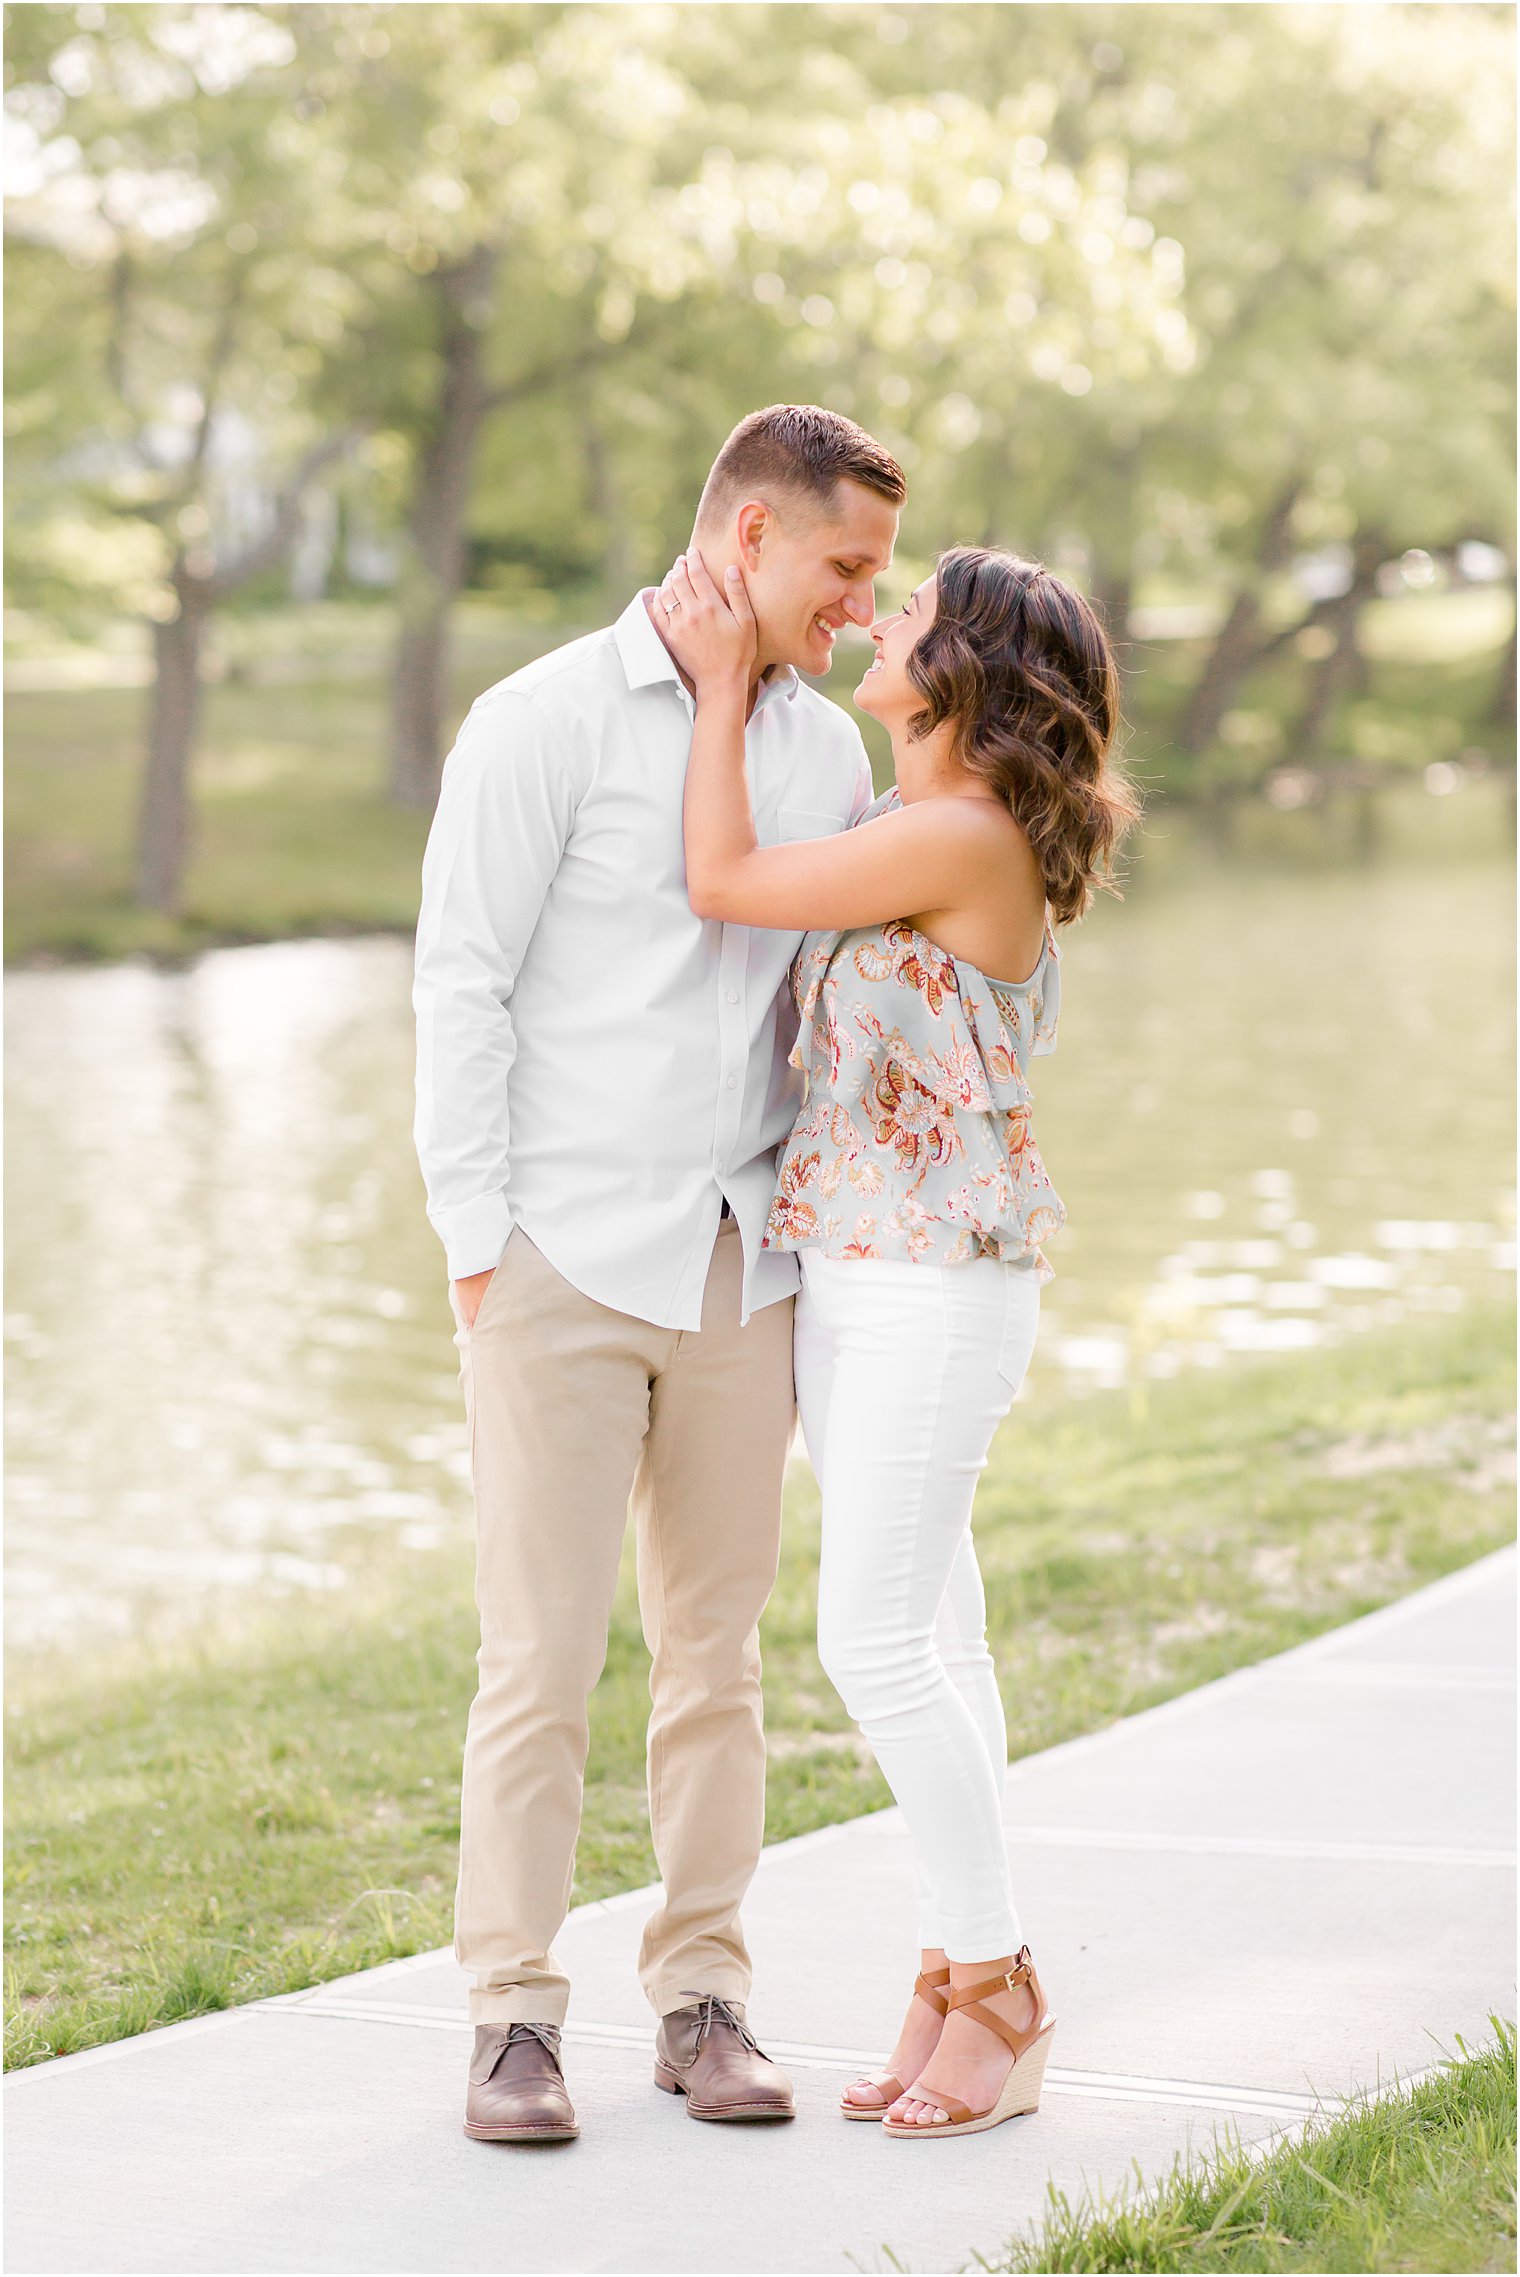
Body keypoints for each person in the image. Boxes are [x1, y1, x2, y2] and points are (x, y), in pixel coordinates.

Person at [412, 405, 904, 2142]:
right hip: (555, 1257)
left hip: (739, 1263)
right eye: (846, 567)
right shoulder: (539, 720)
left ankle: (705, 1997)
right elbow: (460, 982)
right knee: (538, 1657)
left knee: (719, 1658)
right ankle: (511, 2014)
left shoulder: (829, 754)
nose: (861, 603)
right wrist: (479, 1245)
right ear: (752, 539)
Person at [657, 538, 1138, 2140]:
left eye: (908, 614)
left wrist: (726, 687)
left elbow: (721, 878)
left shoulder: (956, 832)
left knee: (868, 1644)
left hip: (933, 1282)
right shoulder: (905, 817)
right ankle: (951, 1965)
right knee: (943, 1643)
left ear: (964, 674)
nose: (877, 618)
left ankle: (1000, 1982)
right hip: (864, 1272)